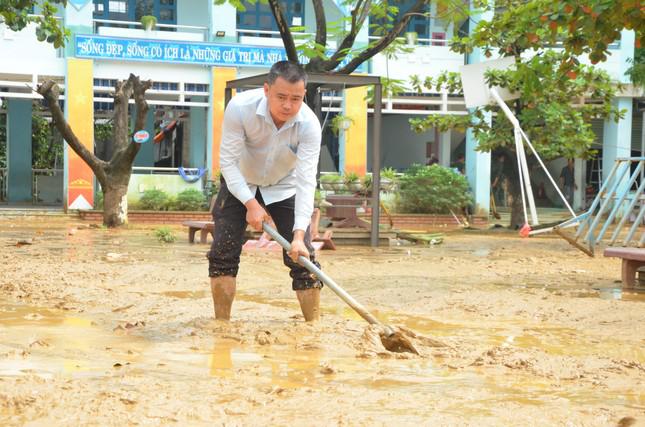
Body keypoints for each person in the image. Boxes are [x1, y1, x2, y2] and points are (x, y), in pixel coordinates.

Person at [207, 61, 323, 322]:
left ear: (303, 95)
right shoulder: (239, 108)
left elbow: (306, 181)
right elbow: (227, 162)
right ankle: (222, 326)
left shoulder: (309, 125)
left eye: (296, 99)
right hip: (240, 183)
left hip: (285, 186)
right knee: (223, 253)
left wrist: (298, 234)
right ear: (266, 90)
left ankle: (313, 328)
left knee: (303, 259)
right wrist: (250, 203)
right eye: (281, 97)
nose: (288, 106)